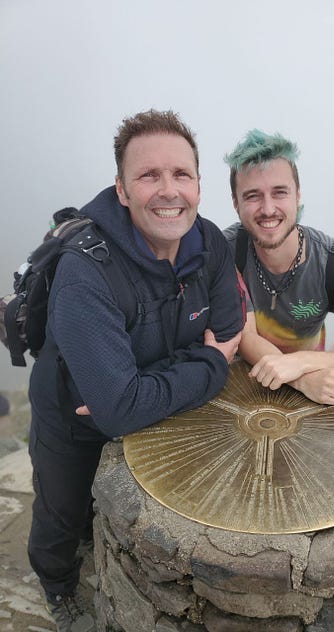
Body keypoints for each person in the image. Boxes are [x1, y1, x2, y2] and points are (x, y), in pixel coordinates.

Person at [28, 110, 243, 632]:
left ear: (198, 185)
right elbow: (123, 406)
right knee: (62, 513)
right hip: (70, 415)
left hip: (146, 403)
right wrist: (208, 362)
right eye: (149, 176)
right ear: (122, 190)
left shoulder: (211, 243)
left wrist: (137, 389)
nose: (168, 191)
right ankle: (58, 588)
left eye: (181, 175)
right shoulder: (86, 270)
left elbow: (231, 333)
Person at [223, 129, 334, 406]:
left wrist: (302, 363)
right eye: (253, 196)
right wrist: (299, 378)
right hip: (249, 383)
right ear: (235, 203)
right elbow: (246, 336)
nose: (268, 208)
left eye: (280, 192)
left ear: (297, 195)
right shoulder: (228, 253)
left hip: (315, 390)